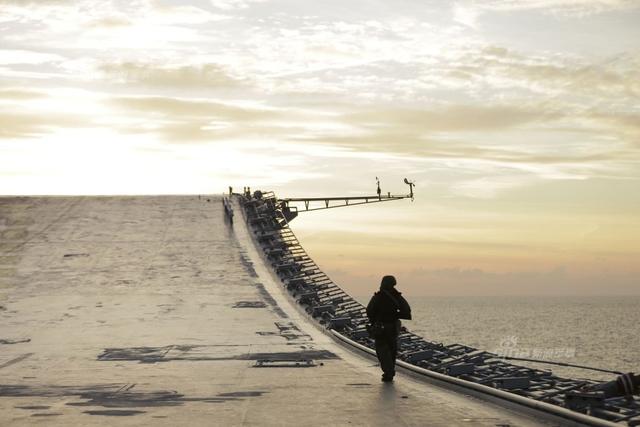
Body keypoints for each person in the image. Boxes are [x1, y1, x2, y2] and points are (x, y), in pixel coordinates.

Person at [366, 275, 411, 382]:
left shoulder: (378, 296)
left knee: (382, 350)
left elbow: (369, 310)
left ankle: (388, 372)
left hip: (381, 327)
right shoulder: (397, 296)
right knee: (392, 349)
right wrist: (395, 314)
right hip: (393, 327)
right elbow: (406, 309)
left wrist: (374, 320)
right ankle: (390, 370)